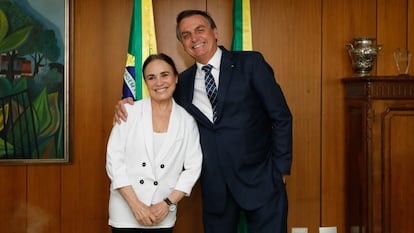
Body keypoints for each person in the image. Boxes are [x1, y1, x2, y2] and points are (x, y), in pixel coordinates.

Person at [114, 10, 292, 233]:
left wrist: (281, 171)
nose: (194, 38)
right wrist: (128, 105)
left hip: (262, 181)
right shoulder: (183, 82)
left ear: (215, 32)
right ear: (182, 44)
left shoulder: (251, 63)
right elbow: (160, 99)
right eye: (186, 35)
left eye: (200, 30)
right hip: (216, 189)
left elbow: (281, 116)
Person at [106, 53, 202, 233]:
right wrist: (136, 205)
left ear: (176, 78)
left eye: (165, 75)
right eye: (151, 77)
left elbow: (193, 166)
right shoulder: (129, 112)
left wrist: (168, 203)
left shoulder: (187, 120)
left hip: (163, 212)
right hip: (125, 211)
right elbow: (114, 160)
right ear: (145, 82)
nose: (159, 82)